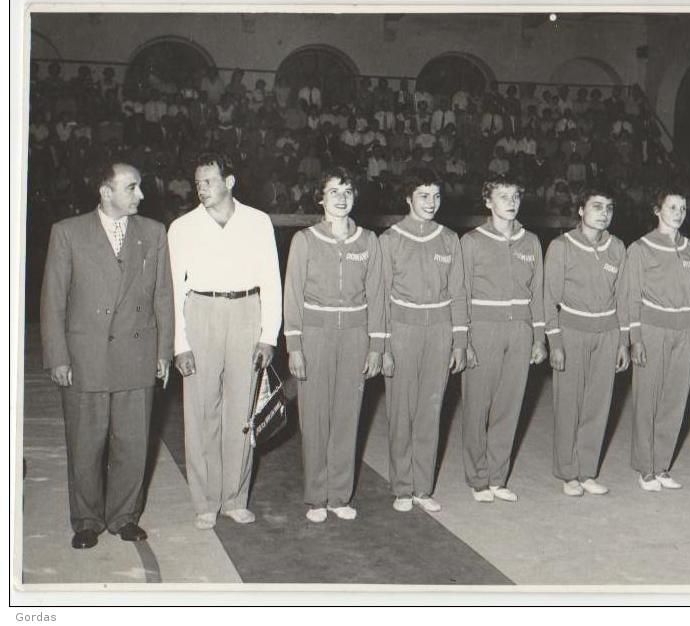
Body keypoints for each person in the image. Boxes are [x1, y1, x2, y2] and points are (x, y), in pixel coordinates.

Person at [40, 161, 174, 549]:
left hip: (137, 354)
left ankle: (125, 516)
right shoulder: (67, 233)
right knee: (85, 443)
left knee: (133, 443)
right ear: (105, 191)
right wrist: (58, 357)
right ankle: (86, 520)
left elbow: (161, 296)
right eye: (132, 188)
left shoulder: (153, 233)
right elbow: (53, 301)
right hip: (86, 357)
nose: (141, 195)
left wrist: (162, 351)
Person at [167, 152, 282, 529]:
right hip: (200, 313)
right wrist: (179, 343)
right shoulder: (182, 227)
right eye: (198, 182)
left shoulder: (258, 222)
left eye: (209, 181)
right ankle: (205, 500)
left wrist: (268, 335)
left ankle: (234, 497)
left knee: (242, 412)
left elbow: (271, 282)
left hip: (247, 310)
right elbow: (174, 289)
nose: (202, 189)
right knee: (201, 412)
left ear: (229, 182)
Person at [283, 168, 385, 523]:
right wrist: (294, 344)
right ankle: (316, 496)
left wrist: (376, 345)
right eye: (333, 191)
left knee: (347, 414)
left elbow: (377, 295)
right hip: (315, 334)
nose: (341, 197)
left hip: (355, 335)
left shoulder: (369, 240)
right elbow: (292, 294)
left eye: (347, 190)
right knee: (314, 416)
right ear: (320, 199)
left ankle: (340, 495)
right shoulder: (305, 240)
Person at [379, 170, 469, 513]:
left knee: (431, 410)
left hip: (440, 331)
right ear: (408, 199)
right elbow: (381, 296)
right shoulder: (390, 239)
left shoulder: (449, 239)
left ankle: (422, 486)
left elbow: (458, 292)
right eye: (423, 196)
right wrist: (384, 346)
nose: (431, 203)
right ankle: (402, 486)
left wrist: (459, 340)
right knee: (401, 410)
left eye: (436, 196)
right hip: (402, 330)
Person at [460, 176, 547, 503]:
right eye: (502, 196)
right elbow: (462, 293)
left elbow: (537, 294)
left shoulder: (532, 241)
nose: (510, 202)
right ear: (488, 202)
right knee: (477, 406)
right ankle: (478, 478)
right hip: (483, 329)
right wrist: (463, 339)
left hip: (520, 331)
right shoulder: (472, 241)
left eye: (515, 196)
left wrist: (539, 337)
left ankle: (498, 477)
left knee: (509, 406)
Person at [543, 189, 630, 497]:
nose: (603, 213)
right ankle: (568, 472)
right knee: (569, 403)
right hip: (572, 331)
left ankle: (587, 469)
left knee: (598, 403)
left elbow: (623, 298)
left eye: (608, 207)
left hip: (607, 333)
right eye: (596, 206)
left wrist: (623, 341)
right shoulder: (561, 246)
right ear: (580, 210)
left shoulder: (617, 247)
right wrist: (554, 341)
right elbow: (548, 299)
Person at [625, 190, 690, 492]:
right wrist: (636, 338)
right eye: (672, 206)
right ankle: (645, 467)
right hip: (653, 328)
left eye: (683, 207)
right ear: (657, 210)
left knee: (675, 398)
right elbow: (632, 295)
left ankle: (661, 465)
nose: (678, 212)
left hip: (685, 329)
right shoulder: (640, 248)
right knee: (648, 398)